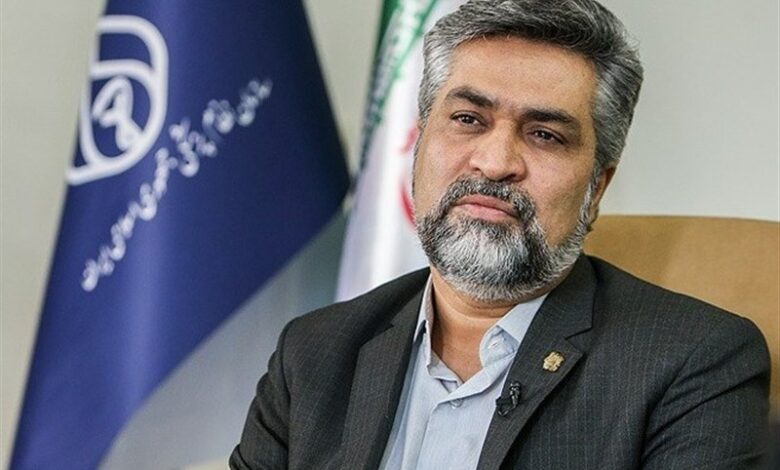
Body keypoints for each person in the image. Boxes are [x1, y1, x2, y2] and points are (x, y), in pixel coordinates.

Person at [230, 0, 771, 468]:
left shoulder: (695, 362)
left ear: (597, 188)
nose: (494, 163)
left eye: (545, 134)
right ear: (418, 145)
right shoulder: (314, 352)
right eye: (468, 119)